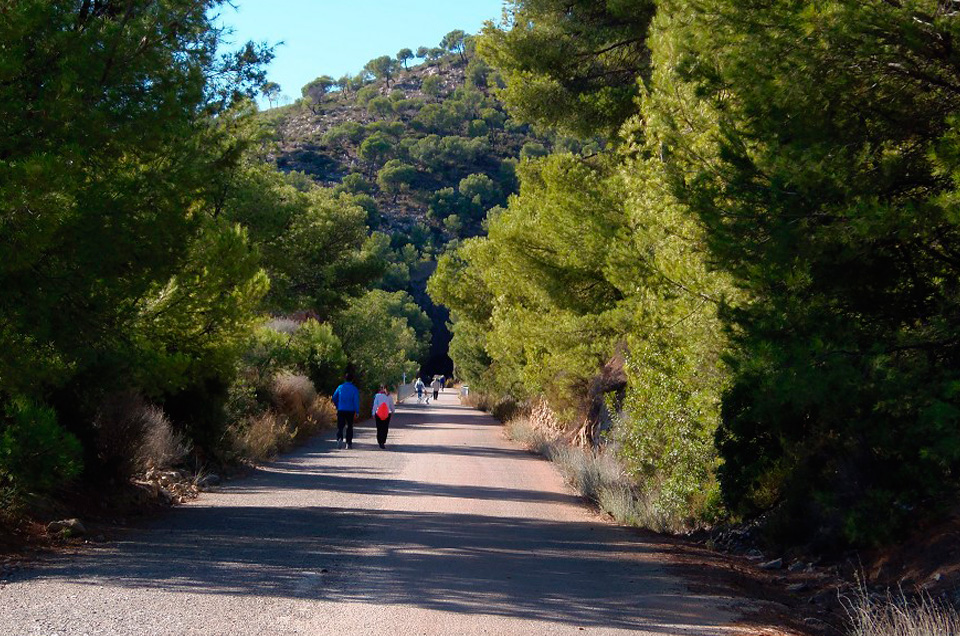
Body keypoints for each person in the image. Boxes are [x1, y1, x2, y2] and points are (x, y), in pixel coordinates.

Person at [332, 372, 360, 449]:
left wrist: (338, 405)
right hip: (350, 410)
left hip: (341, 409)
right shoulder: (354, 389)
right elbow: (356, 401)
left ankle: (339, 438)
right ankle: (348, 443)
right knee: (349, 426)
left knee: (340, 426)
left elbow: (334, 397)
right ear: (352, 380)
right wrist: (357, 411)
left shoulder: (340, 387)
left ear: (345, 379)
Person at [371, 385, 395, 449]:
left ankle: (379, 441)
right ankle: (383, 441)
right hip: (387, 414)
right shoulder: (389, 396)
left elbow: (375, 405)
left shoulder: (377, 396)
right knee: (385, 428)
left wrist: (373, 413)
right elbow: (391, 405)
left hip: (378, 414)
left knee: (379, 428)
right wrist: (393, 411)